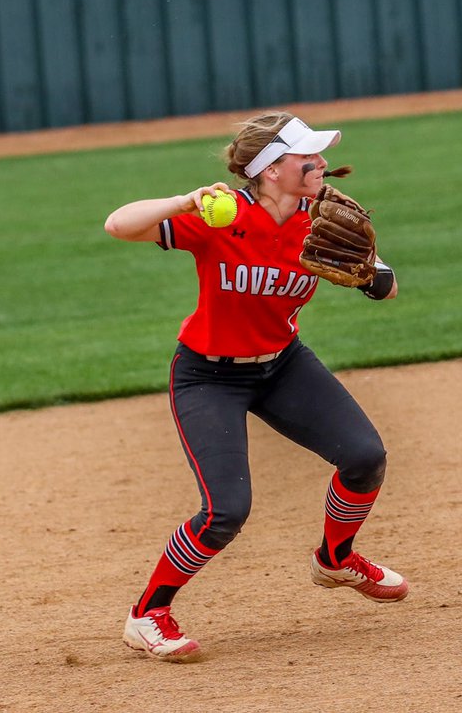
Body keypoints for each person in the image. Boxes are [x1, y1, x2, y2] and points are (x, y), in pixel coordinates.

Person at [103, 112, 406, 662]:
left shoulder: (323, 219)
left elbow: (384, 288)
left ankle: (336, 560)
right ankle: (148, 614)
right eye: (304, 156)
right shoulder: (222, 218)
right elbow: (118, 225)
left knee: (365, 457)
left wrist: (371, 273)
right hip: (209, 376)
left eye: (318, 155)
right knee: (226, 511)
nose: (318, 164)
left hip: (283, 366)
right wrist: (185, 201)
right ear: (269, 170)